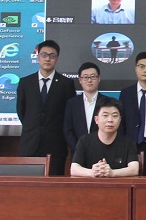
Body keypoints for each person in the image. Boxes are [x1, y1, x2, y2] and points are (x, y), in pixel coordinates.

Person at [17, 39, 76, 176]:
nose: (47, 59)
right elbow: (21, 111)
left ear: (57, 58)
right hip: (30, 144)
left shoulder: (66, 84)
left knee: (54, 185)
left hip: (55, 146)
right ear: (38, 57)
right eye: (44, 55)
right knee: (29, 184)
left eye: (52, 55)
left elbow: (69, 114)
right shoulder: (25, 83)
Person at [70, 98, 139, 178]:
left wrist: (112, 173)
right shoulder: (84, 141)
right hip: (90, 185)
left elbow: (134, 169)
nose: (110, 120)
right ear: (96, 119)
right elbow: (74, 169)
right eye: (105, 115)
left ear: (120, 120)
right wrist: (92, 172)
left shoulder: (128, 143)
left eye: (114, 116)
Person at [64, 62, 109, 157]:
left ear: (99, 78)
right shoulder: (72, 103)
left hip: (103, 153)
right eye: (85, 77)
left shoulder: (108, 102)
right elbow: (68, 130)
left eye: (93, 76)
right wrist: (78, 149)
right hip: (78, 155)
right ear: (80, 80)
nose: (89, 80)